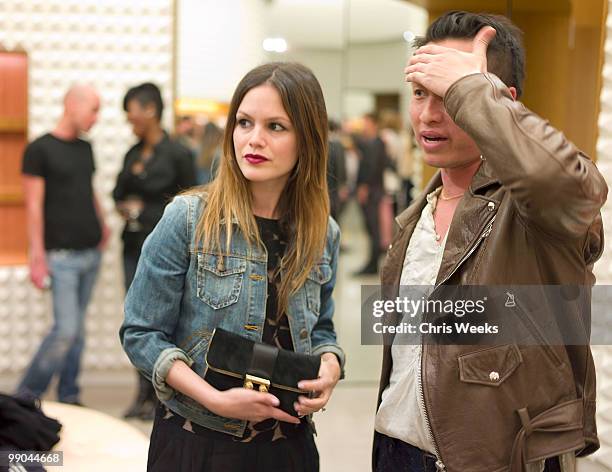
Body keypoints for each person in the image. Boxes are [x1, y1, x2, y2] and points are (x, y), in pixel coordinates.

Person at [373, 11, 607, 472]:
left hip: (498, 458)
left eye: (451, 94)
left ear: (501, 101)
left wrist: (475, 89)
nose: (428, 113)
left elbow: (567, 185)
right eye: (421, 93)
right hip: (396, 450)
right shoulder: (415, 218)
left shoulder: (533, 213)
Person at [120, 62, 344, 471]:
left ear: (307, 139)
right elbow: (141, 332)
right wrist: (214, 398)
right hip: (198, 440)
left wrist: (330, 365)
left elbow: (322, 327)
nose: (253, 140)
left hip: (288, 445)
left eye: (276, 126)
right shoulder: (188, 218)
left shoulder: (321, 232)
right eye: (244, 122)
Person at [17, 84, 109, 405]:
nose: (97, 118)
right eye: (94, 109)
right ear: (73, 105)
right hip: (62, 257)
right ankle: (24, 398)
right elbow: (33, 207)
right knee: (66, 330)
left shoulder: (86, 148)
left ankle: (69, 394)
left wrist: (103, 224)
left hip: (90, 253)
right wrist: (37, 256)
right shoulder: (39, 150)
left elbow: (88, 189)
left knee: (78, 332)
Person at [113, 82, 196, 420]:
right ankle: (141, 394)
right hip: (132, 247)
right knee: (138, 323)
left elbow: (191, 200)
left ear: (150, 110)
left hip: (167, 253)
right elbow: (117, 192)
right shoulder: (133, 152)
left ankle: (160, 392)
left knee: (166, 324)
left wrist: (143, 209)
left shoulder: (177, 153)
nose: (128, 117)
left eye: (131, 109)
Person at [355, 113, 391, 276]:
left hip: (373, 191)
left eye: (367, 122)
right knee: (370, 227)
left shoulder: (378, 143)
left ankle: (373, 264)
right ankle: (372, 262)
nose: (364, 126)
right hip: (371, 190)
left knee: (374, 227)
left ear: (374, 124)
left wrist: (364, 186)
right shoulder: (370, 143)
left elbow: (373, 167)